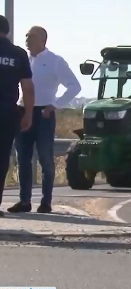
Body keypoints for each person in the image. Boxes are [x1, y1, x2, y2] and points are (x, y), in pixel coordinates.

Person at [9, 26, 81, 214]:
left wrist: (54, 105)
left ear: (43, 39)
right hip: (24, 112)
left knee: (45, 159)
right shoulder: (23, 59)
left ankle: (46, 202)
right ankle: (24, 202)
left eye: (31, 36)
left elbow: (74, 86)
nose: (27, 39)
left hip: (43, 115)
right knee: (22, 159)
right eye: (26, 36)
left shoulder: (55, 61)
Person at [0, 16, 34, 216]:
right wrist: (28, 113)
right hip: (6, 113)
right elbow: (27, 88)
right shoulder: (18, 54)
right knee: (2, 158)